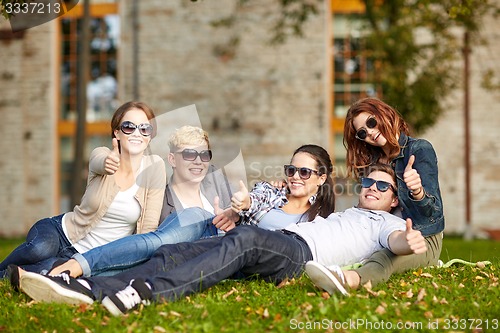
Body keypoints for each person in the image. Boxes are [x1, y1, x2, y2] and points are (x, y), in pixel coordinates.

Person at [12, 164, 427, 316]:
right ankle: (88, 289)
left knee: (245, 240)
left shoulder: (380, 224)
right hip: (275, 243)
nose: (371, 187)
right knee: (176, 249)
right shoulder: (343, 212)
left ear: (393, 200)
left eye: (381, 186)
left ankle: (147, 293)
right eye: (368, 181)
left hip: (297, 254)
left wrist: (409, 242)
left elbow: (394, 244)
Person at [46, 143, 336, 278]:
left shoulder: (315, 223)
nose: (295, 176)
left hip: (226, 249)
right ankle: (77, 264)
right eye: (291, 169)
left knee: (159, 261)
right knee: (155, 242)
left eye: (304, 172)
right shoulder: (272, 191)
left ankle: (59, 273)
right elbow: (253, 200)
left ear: (321, 178)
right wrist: (241, 206)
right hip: (209, 224)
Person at [0, 101, 166, 278]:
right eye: (128, 127)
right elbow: (99, 162)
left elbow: (148, 229)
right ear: (117, 132)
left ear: (150, 135)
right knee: (38, 249)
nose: (137, 133)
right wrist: (108, 162)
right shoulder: (102, 154)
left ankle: (10, 276)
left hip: (86, 258)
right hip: (62, 233)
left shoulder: (155, 166)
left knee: (49, 270)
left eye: (144, 128)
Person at [47, 126, 233, 278]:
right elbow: (149, 247)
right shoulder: (160, 203)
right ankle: (70, 270)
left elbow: (242, 219)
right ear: (172, 159)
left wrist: (236, 216)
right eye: (189, 155)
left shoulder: (215, 181)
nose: (199, 161)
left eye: (204, 155)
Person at [312, 97, 444, 294]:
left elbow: (432, 213)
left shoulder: (418, 150)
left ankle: (349, 280)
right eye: (363, 132)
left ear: (385, 114)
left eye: (372, 122)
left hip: (420, 237)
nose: (371, 133)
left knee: (384, 257)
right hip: (380, 232)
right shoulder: (372, 162)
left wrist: (417, 191)